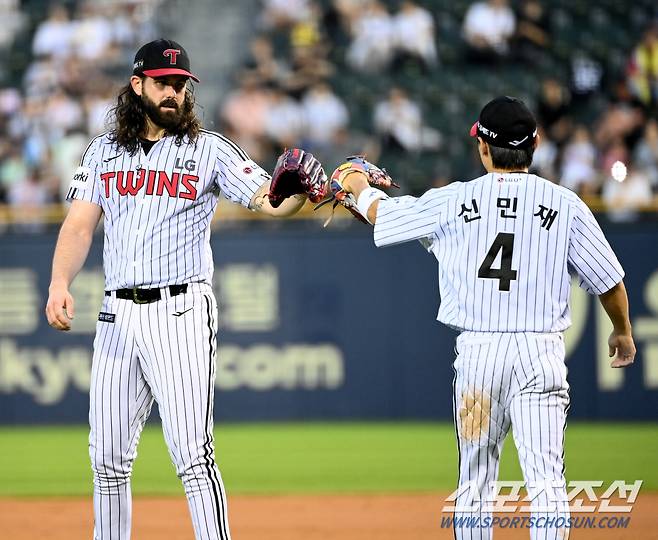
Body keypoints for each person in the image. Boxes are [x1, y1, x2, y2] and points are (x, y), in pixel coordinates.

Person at [45, 39, 322, 540]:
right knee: (106, 459)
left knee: (193, 455)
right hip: (115, 317)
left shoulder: (209, 149)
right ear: (138, 85)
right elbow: (80, 225)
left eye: (180, 84)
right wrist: (59, 282)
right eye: (163, 82)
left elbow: (269, 200)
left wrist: (297, 191)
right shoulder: (104, 151)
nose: (174, 92)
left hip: (181, 311)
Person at [332, 96, 636, 539]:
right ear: (535, 144)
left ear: (483, 148)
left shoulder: (453, 201)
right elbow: (609, 281)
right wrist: (623, 332)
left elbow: (381, 215)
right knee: (547, 484)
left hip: (478, 360)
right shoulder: (566, 205)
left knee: (475, 484)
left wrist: (358, 183)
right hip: (540, 356)